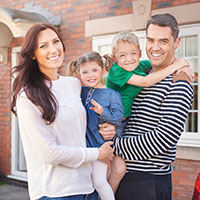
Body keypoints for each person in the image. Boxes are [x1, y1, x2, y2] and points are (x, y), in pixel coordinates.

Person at [11, 23, 115, 200]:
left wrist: (106, 127)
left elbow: (82, 127)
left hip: (88, 188)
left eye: (56, 41)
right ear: (33, 55)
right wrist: (97, 153)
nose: (53, 49)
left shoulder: (73, 84)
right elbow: (48, 152)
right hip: (55, 193)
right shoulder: (27, 95)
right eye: (43, 46)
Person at [113, 13, 194, 200]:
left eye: (163, 41)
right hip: (121, 176)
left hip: (148, 184)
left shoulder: (179, 83)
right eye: (150, 40)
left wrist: (113, 145)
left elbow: (162, 139)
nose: (155, 48)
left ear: (177, 42)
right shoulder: (141, 73)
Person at [68, 51, 124, 200]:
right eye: (85, 72)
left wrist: (102, 111)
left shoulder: (112, 94)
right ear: (79, 73)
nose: (90, 75)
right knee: (84, 184)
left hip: (100, 147)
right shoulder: (80, 92)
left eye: (94, 70)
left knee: (99, 182)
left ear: (103, 70)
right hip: (81, 147)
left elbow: (118, 118)